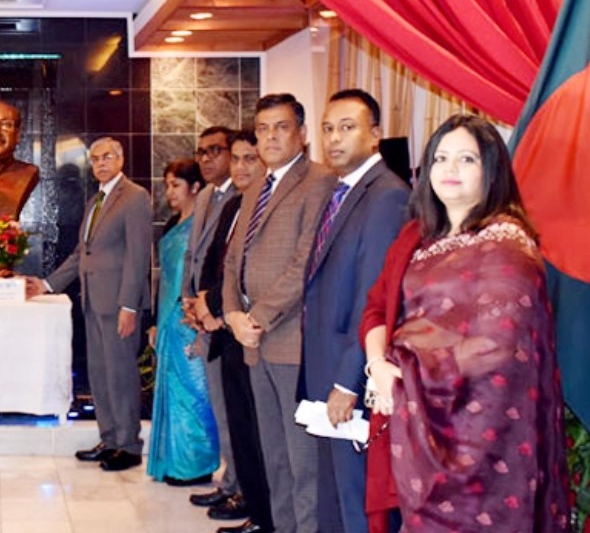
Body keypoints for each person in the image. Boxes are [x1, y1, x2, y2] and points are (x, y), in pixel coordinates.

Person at [361, 114, 569, 533]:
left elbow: (500, 349)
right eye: (440, 158)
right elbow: (376, 307)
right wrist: (378, 365)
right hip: (416, 428)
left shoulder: (508, 246)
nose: (449, 169)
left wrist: (404, 369)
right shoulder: (416, 237)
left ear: (491, 171)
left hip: (483, 440)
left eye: (466, 159)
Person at [221, 94, 334, 533]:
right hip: (254, 343)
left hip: (291, 341)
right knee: (274, 457)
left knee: (302, 461)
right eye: (263, 129)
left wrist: (258, 318)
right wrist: (233, 313)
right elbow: (233, 260)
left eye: (281, 127)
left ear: (302, 134)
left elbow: (306, 261)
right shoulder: (255, 188)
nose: (270, 137)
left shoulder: (320, 182)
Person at [301, 89, 409, 533]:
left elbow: (374, 298)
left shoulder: (387, 196)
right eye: (328, 128)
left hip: (352, 376)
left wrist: (349, 380)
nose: (334, 138)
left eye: (347, 128)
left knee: (355, 499)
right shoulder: (341, 190)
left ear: (375, 134)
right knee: (333, 495)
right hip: (324, 365)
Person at [28, 137, 153, 472]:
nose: (100, 163)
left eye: (107, 157)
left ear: (121, 159)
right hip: (93, 302)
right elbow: (80, 254)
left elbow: (138, 256)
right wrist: (47, 284)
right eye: (95, 159)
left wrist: (130, 306)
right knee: (100, 375)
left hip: (119, 305)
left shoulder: (135, 197)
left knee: (121, 375)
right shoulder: (95, 201)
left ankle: (128, 446)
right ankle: (109, 439)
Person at [188, 131, 273, 532]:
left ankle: (260, 510)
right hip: (222, 327)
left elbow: (254, 272)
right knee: (235, 423)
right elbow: (213, 262)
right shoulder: (233, 206)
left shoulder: (267, 208)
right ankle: (244, 496)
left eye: (249, 159)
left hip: (251, 330)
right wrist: (202, 302)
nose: (240, 167)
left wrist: (217, 308)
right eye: (236, 158)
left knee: (255, 430)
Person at [146, 159, 221, 486]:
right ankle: (173, 463)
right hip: (167, 319)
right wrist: (155, 321)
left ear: (195, 187)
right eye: (167, 185)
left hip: (189, 318)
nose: (169, 192)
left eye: (176, 185)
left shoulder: (203, 226)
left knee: (194, 392)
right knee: (172, 391)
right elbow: (163, 278)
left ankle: (197, 465)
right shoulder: (173, 225)